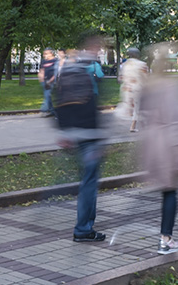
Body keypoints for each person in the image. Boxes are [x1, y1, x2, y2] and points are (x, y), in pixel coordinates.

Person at [54, 34, 107, 242]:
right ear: (92, 47)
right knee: (89, 182)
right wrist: (99, 137)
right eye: (98, 47)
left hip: (74, 134)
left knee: (87, 180)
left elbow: (58, 101)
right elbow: (91, 105)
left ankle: (86, 225)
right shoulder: (90, 69)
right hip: (89, 135)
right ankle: (84, 229)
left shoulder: (68, 68)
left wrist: (64, 132)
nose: (100, 50)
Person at [139, 45, 178, 254]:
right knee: (171, 191)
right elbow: (175, 117)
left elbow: (142, 115)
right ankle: (166, 239)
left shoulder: (148, 87)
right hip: (168, 143)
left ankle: (165, 237)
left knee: (165, 189)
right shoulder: (170, 87)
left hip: (152, 143)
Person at [115, 47, 147, 132]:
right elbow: (145, 77)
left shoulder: (125, 64)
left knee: (136, 107)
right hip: (137, 88)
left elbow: (121, 77)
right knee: (138, 107)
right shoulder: (142, 64)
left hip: (127, 89)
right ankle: (133, 126)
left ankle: (141, 124)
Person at [38, 49, 57, 116]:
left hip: (52, 81)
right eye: (44, 54)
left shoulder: (55, 61)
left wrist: (50, 80)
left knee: (48, 95)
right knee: (48, 96)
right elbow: (42, 70)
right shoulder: (44, 61)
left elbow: (56, 72)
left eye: (46, 53)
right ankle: (53, 111)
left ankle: (44, 109)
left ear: (51, 53)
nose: (45, 55)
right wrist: (41, 77)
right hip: (45, 81)